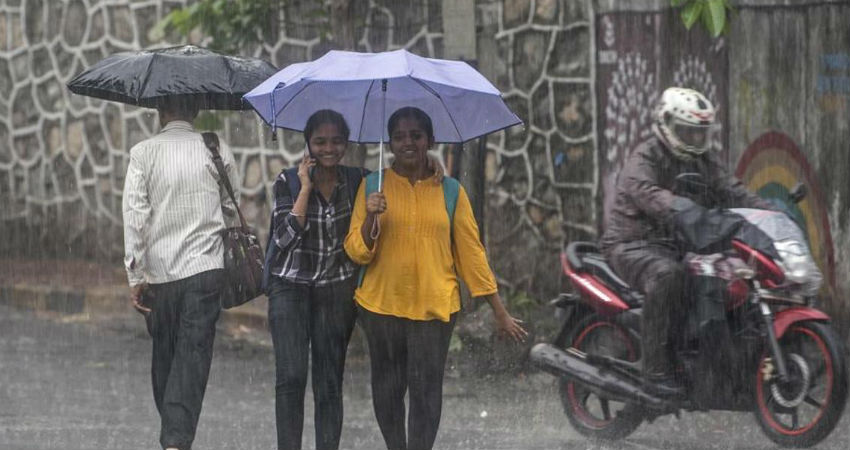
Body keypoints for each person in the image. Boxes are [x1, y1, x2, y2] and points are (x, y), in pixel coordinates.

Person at [344, 106, 528, 450]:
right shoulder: (373, 186)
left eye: (416, 135)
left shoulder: (451, 191)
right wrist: (371, 216)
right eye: (399, 136)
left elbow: (472, 254)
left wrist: (499, 311)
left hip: (435, 308)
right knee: (387, 390)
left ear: (430, 140)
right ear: (389, 142)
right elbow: (357, 251)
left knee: (426, 394)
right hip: (382, 306)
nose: (407, 142)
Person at [600, 87, 773, 398]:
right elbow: (650, 194)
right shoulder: (645, 157)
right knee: (669, 275)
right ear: (666, 123)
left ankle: (720, 365)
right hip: (633, 244)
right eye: (687, 131)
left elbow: (731, 189)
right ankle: (655, 370)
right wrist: (682, 208)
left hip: (677, 246)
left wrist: (769, 213)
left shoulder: (702, 160)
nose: (694, 138)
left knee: (730, 277)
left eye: (699, 132)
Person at [122, 98, 240, 450]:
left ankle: (175, 439)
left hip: (160, 275)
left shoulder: (143, 153)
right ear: (196, 111)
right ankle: (176, 437)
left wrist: (135, 275)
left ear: (160, 112)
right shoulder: (215, 147)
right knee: (193, 354)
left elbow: (134, 217)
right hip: (206, 268)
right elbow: (231, 207)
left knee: (166, 356)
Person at [264, 109, 364, 450]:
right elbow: (284, 239)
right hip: (289, 289)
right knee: (291, 377)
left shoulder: (358, 181)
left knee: (329, 382)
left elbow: (397, 180)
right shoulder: (288, 181)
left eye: (336, 141)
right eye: (320, 142)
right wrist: (305, 189)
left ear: (346, 143)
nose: (329, 149)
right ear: (308, 144)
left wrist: (433, 167)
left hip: (335, 291)